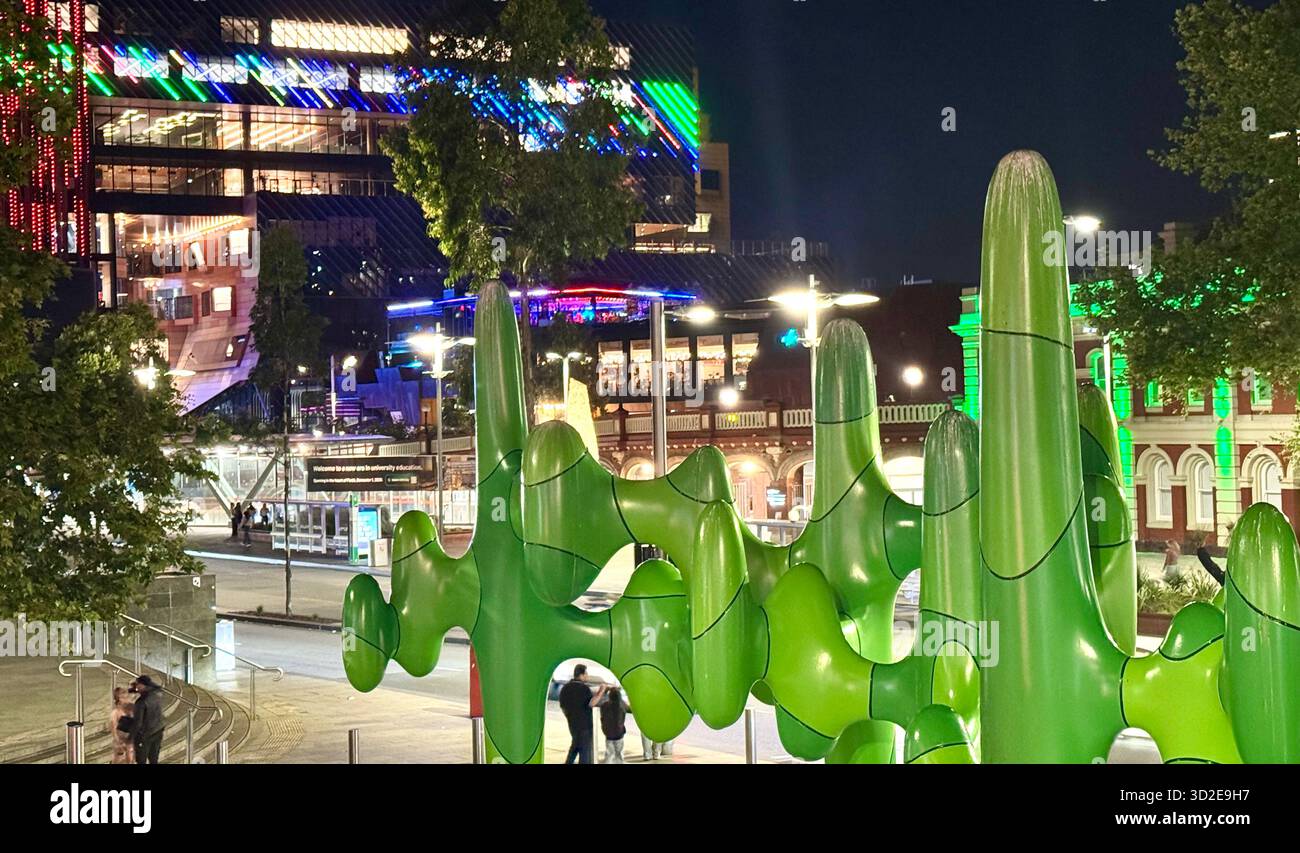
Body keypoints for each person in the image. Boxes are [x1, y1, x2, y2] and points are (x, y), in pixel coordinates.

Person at [558, 664, 606, 764]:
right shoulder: (584, 689)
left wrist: (570, 715)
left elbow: (562, 705)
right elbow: (592, 703)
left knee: (575, 748)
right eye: (586, 673)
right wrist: (601, 691)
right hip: (585, 727)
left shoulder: (565, 688)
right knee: (585, 755)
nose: (587, 676)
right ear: (581, 675)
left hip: (573, 725)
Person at [129, 675, 165, 765]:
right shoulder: (157, 694)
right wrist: (134, 690)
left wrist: (131, 738)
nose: (136, 686)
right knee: (154, 759)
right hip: (158, 730)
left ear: (142, 685)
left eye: (137, 684)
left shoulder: (141, 702)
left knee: (141, 760)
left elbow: (138, 723)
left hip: (145, 735)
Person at [599, 686, 629, 764]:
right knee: (619, 754)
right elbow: (630, 708)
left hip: (608, 733)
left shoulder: (605, 705)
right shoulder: (622, 705)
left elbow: (601, 701)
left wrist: (606, 691)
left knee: (609, 754)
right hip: (619, 733)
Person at [107, 686, 135, 765]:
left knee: (131, 757)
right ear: (118, 699)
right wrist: (117, 739)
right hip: (121, 738)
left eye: (126, 697)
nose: (126, 699)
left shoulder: (131, 708)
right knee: (118, 758)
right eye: (123, 697)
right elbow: (113, 726)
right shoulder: (116, 712)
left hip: (131, 737)